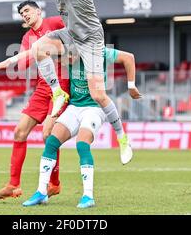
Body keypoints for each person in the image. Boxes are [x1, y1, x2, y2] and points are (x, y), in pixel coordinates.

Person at [19, 0, 134, 164]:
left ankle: (122, 138)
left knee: (98, 94)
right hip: (70, 33)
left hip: (90, 38)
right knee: (39, 47)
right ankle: (58, 93)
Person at [22, 46, 142, 208]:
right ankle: (41, 192)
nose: (68, 60)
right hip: (74, 107)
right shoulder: (63, 52)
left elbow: (129, 57)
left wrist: (131, 85)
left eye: (71, 55)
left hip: (94, 108)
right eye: (65, 55)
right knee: (51, 142)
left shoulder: (99, 53)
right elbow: (38, 52)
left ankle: (88, 196)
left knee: (82, 144)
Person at [0, 0, 69, 200]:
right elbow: (23, 64)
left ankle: (54, 184)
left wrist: (61, 49)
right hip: (43, 87)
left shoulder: (55, 22)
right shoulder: (28, 37)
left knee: (48, 133)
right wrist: (18, 59)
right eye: (21, 13)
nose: (24, 14)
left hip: (63, 83)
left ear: (38, 11)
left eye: (27, 10)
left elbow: (76, 31)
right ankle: (13, 185)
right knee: (19, 132)